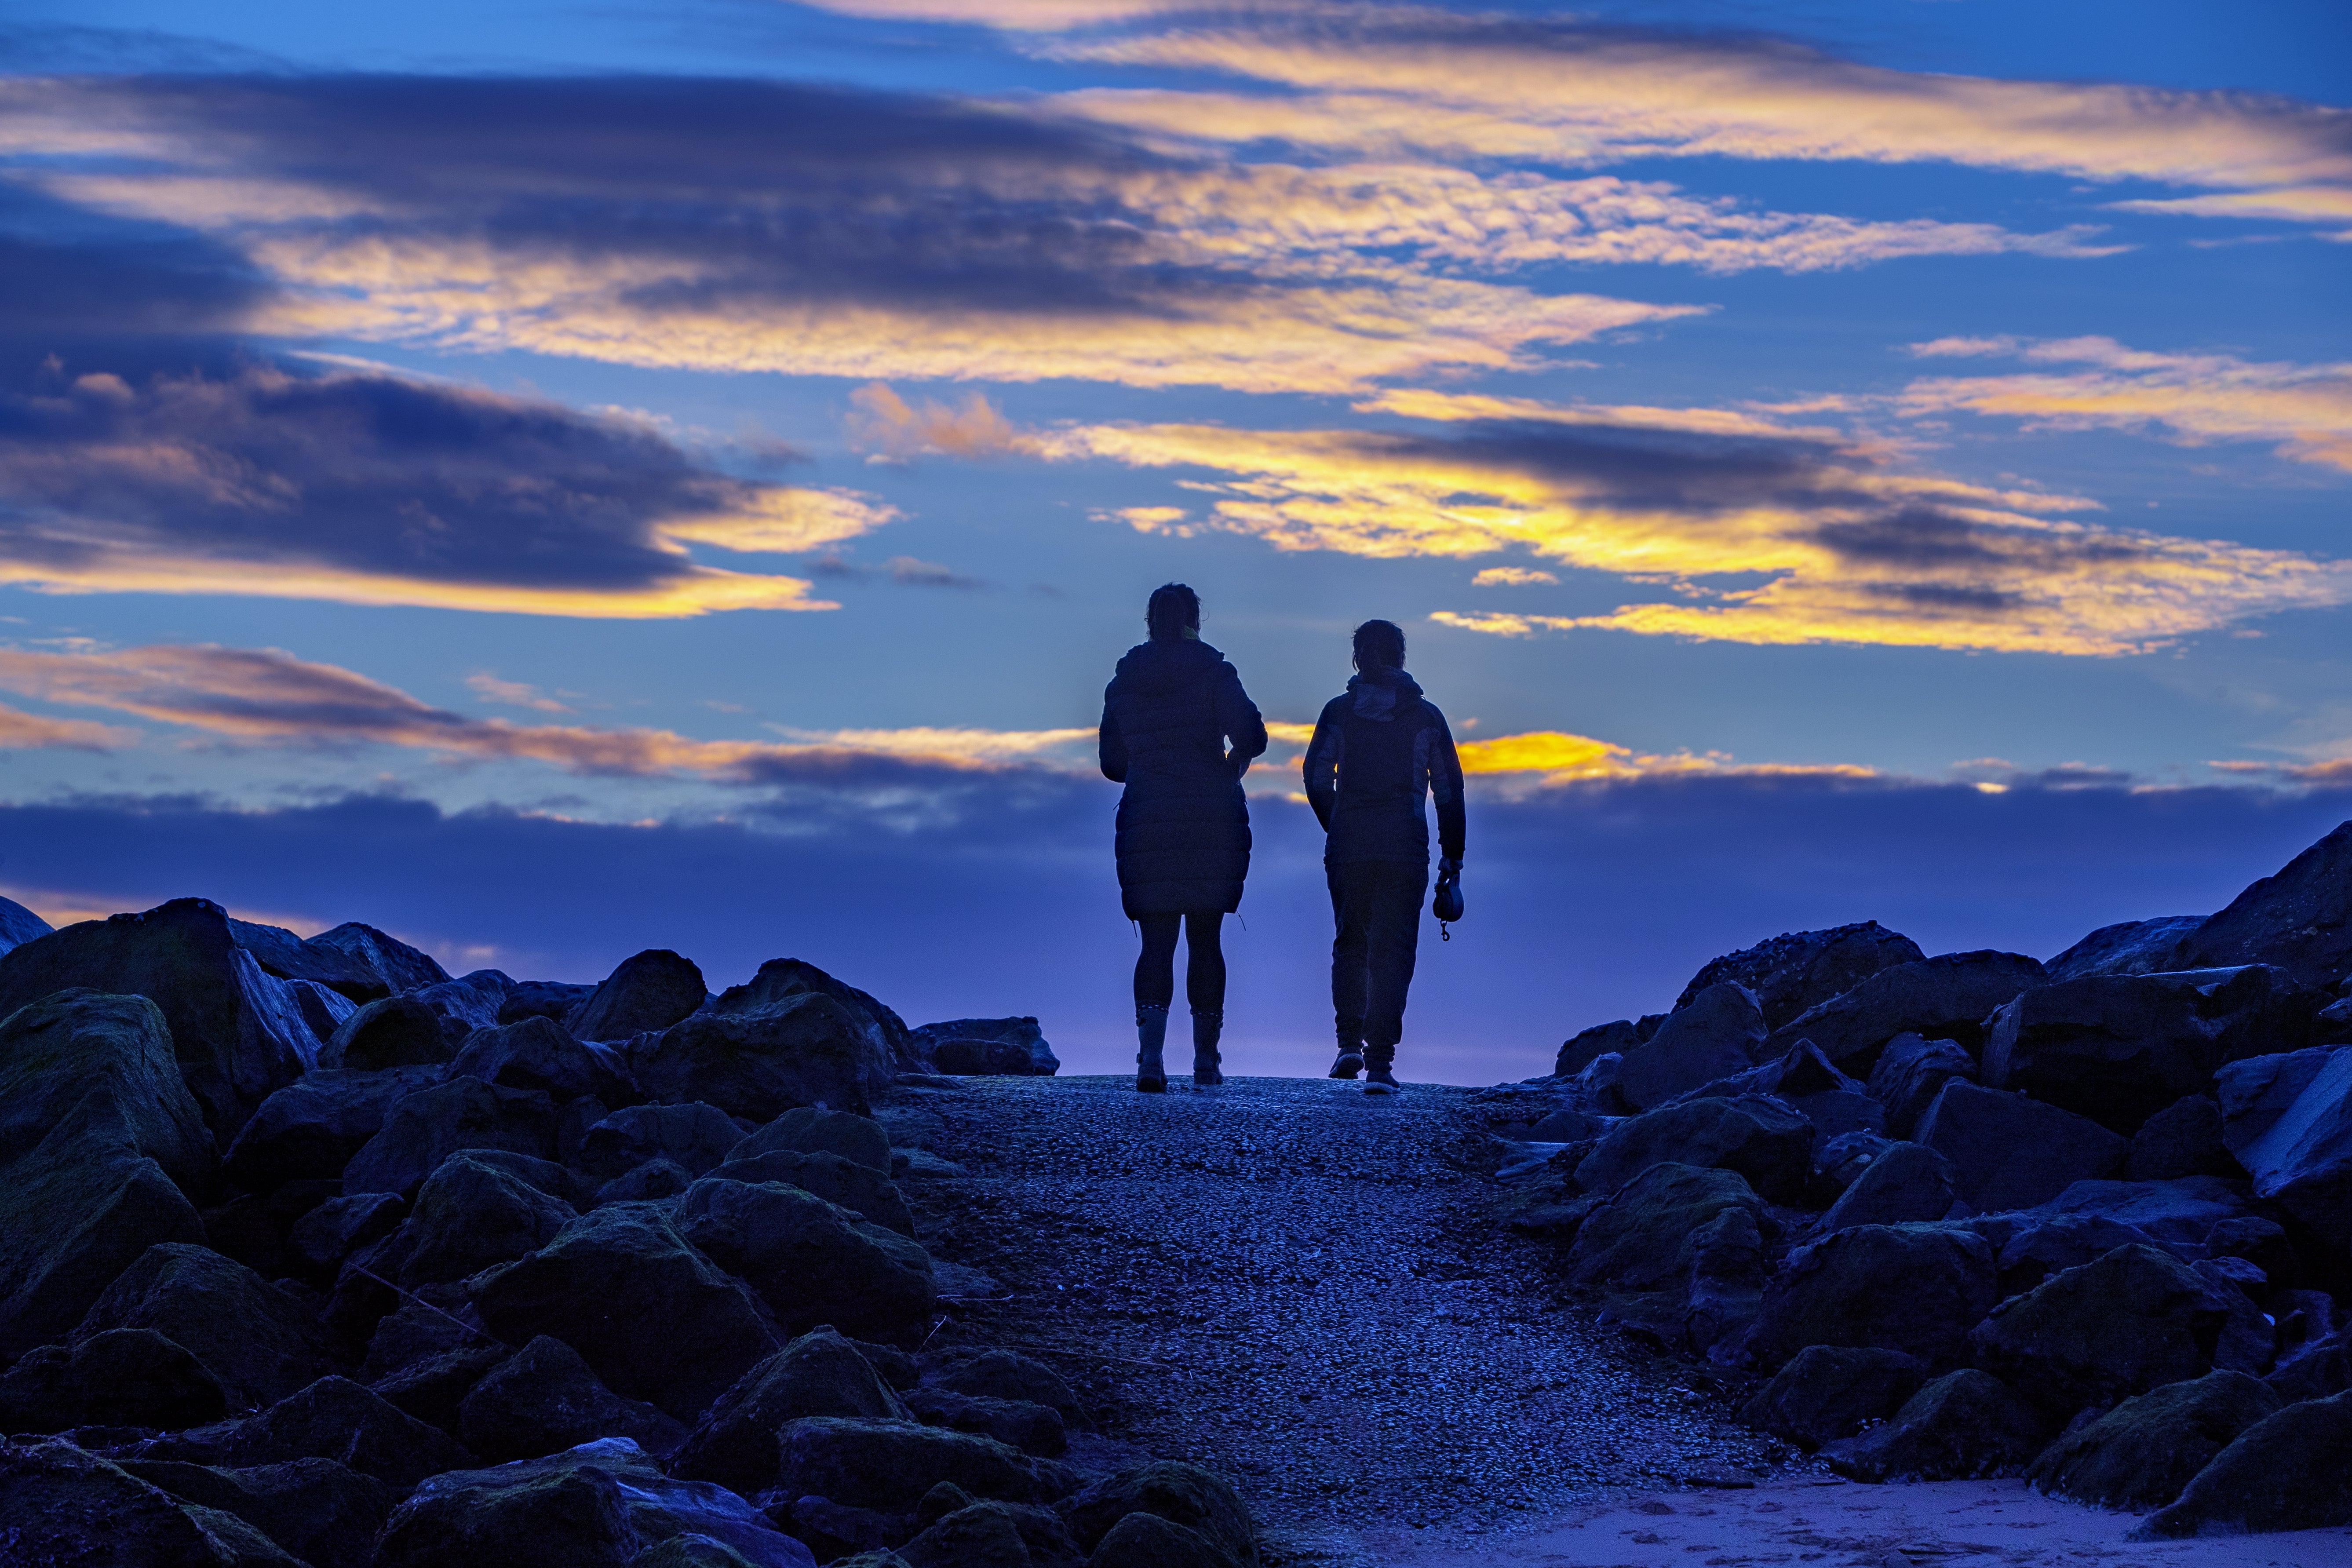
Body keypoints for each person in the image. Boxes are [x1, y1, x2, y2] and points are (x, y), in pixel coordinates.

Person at [1100, 583, 1268, 1092]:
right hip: (1209, 816)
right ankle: (1205, 1059)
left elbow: (1112, 764)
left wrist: (1152, 768)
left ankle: (1150, 1059)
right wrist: (1231, 764)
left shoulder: (1125, 681)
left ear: (1151, 620)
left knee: (1156, 942)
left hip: (1149, 813)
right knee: (1206, 938)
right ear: (1195, 618)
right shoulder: (1215, 672)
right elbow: (1254, 736)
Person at [1302, 618, 1464, 1094]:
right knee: (1394, 949)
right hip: (1404, 843)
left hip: (1349, 839)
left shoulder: (1337, 711)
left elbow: (1315, 780)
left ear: (1357, 658)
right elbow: (1449, 793)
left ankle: (1348, 1043)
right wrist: (1452, 856)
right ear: (1401, 657)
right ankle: (1380, 1063)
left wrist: (1338, 823)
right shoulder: (1427, 717)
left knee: (1351, 939)